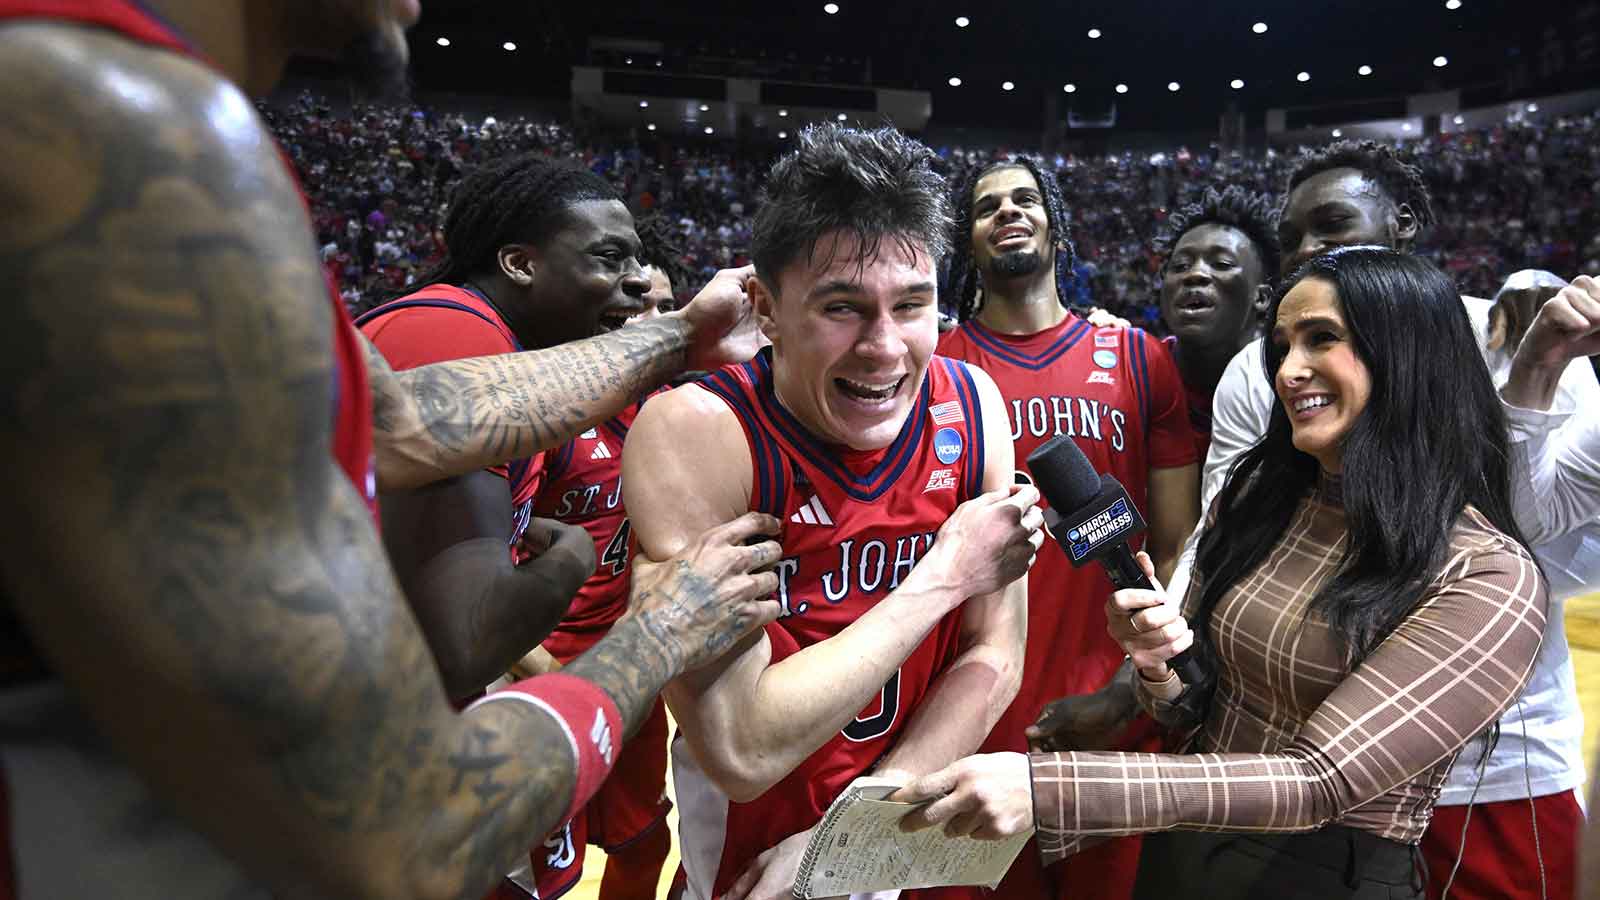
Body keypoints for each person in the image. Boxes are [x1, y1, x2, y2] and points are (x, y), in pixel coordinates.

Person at [0, 2, 780, 897]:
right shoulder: (115, 120)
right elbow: (411, 823)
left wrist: (678, 335)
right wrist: (659, 634)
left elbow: (406, 422)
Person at [894, 247, 1550, 900]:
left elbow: (1317, 782)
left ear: (1408, 354)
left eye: (1322, 340)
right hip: (1185, 853)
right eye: (1282, 347)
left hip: (1321, 877)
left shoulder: (1488, 577)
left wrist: (1046, 790)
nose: (1290, 371)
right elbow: (1196, 709)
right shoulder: (1261, 495)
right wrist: (1158, 665)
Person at [623, 124, 1045, 900]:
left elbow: (994, 656)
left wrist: (846, 842)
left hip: (886, 839)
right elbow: (742, 751)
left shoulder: (973, 405)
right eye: (843, 308)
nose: (885, 348)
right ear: (765, 307)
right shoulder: (699, 433)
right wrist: (946, 573)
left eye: (911, 305)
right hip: (745, 869)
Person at [1198, 142, 1599, 900]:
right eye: (1292, 238)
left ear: (1404, 221)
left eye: (1333, 223)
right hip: (1305, 763)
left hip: (1494, 769)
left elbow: (1549, 550)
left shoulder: (1530, 336)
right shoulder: (1271, 366)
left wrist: (1531, 380)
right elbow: (1224, 540)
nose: (1310, 249)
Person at [932, 155, 1201, 900]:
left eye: (1025, 198)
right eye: (988, 206)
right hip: (974, 718)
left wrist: (1126, 690)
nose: (1008, 212)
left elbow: (1178, 547)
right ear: (969, 238)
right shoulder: (936, 367)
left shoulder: (1138, 357)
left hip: (1114, 717)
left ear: (1057, 225)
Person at [359, 153, 659, 701]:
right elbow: (466, 646)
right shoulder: (450, 333)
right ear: (521, 264)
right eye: (611, 257)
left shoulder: (511, 353)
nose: (640, 281)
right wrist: (573, 559)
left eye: (638, 259)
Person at [494, 231, 695, 900]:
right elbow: (490, 573)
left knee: (644, 844)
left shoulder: (675, 416)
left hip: (630, 672)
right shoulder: (546, 417)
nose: (652, 325)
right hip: (543, 672)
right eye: (636, 310)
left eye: (664, 309)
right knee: (538, 872)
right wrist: (559, 681)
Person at [1153, 185, 1280, 458]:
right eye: (1180, 266)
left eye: (1221, 264)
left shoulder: (1288, 381)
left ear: (1262, 297)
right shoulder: (1135, 371)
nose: (1194, 274)